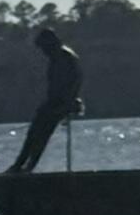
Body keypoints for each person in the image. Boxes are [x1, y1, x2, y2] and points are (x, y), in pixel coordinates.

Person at [7, 27, 83, 172]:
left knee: (41, 133)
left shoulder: (63, 56)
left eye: (44, 48)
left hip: (62, 103)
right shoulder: (57, 56)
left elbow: (75, 81)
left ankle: (26, 167)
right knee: (34, 132)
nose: (43, 52)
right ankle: (20, 165)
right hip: (56, 102)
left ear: (50, 44)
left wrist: (67, 103)